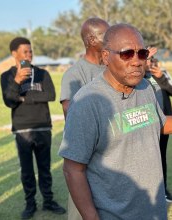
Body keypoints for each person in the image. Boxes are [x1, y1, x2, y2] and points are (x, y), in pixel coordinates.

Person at [58, 24, 172, 219]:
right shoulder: (87, 102)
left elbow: (161, 123)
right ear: (106, 57)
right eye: (127, 54)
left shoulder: (145, 87)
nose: (137, 61)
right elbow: (73, 169)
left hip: (153, 209)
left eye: (142, 54)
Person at [0, 37, 66, 219]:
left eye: (30, 51)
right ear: (14, 54)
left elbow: (51, 95)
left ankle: (48, 200)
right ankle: (30, 204)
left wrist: (24, 98)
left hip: (43, 126)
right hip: (22, 129)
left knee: (45, 168)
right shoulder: (6, 76)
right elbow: (9, 100)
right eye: (25, 52)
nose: (29, 55)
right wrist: (17, 82)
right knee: (27, 171)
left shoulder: (43, 73)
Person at [59, 17, 109, 220]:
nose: (110, 39)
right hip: (85, 164)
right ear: (90, 39)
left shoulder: (111, 69)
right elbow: (71, 116)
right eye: (106, 36)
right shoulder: (74, 74)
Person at [144, 57, 172, 202]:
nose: (151, 65)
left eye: (154, 62)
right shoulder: (138, 76)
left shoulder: (162, 73)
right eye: (147, 61)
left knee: (161, 157)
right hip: (145, 126)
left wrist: (161, 77)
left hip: (164, 124)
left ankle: (163, 190)